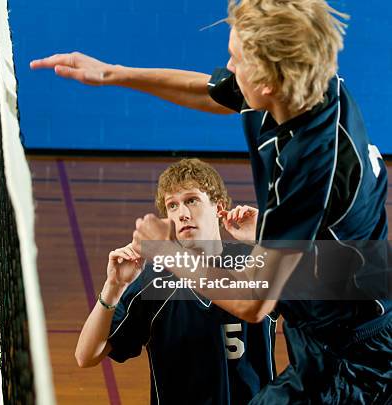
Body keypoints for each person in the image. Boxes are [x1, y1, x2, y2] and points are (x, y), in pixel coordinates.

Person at [32, 1, 392, 403]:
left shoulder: (311, 165)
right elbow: (211, 91)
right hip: (324, 322)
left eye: (236, 59)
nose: (228, 67)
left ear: (269, 81)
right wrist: (112, 74)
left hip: (356, 357)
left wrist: (167, 250)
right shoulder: (309, 86)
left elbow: (253, 302)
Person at [75, 158, 275, 405]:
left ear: (218, 206)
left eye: (191, 200)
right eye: (172, 206)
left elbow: (327, 298)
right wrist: (113, 287)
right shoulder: (153, 280)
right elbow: (86, 356)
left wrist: (265, 238)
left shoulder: (254, 261)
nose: (182, 214)